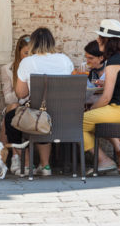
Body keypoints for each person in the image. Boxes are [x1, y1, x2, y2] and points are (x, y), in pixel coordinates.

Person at [12, 27, 74, 176]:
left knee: (11, 119)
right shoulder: (65, 60)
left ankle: (27, 163)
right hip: (65, 119)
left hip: (39, 118)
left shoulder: (28, 62)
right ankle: (45, 166)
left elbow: (21, 94)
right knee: (43, 114)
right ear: (52, 42)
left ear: (33, 43)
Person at [82, 20, 120, 174]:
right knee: (93, 122)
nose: (97, 40)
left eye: (99, 37)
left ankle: (104, 160)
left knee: (76, 122)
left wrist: (91, 111)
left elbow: (106, 98)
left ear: (106, 41)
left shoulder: (114, 61)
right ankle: (117, 144)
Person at [0, 34, 30, 174]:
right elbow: (7, 97)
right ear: (19, 52)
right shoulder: (7, 69)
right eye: (26, 53)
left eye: (32, 53)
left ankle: (14, 157)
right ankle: (16, 156)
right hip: (15, 105)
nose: (29, 56)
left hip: (31, 107)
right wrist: (21, 91)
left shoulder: (35, 66)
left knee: (11, 113)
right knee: (12, 108)